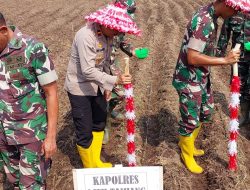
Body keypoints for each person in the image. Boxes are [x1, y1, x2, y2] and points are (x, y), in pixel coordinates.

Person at [172, 0, 250, 174]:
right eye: (235, 9)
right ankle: (186, 153)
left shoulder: (212, 15)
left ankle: (189, 143)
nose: (236, 14)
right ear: (225, 3)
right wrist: (224, 60)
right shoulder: (204, 21)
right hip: (189, 78)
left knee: (205, 112)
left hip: (201, 76)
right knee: (190, 120)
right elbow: (192, 57)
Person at [64, 3, 141, 168]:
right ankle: (89, 166)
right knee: (84, 131)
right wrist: (115, 81)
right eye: (116, 30)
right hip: (80, 88)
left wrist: (107, 86)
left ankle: (96, 160)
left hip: (98, 85)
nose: (118, 34)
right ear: (105, 24)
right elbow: (87, 71)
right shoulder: (86, 36)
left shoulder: (108, 36)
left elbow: (105, 62)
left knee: (99, 122)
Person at [0, 12, 58, 189]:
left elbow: (51, 93)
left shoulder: (33, 49)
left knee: (32, 186)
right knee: (15, 182)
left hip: (31, 134)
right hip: (4, 136)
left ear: (3, 30)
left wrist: (50, 137)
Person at [217, 12, 250, 126]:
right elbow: (224, 34)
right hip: (238, 58)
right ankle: (244, 115)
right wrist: (219, 56)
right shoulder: (234, 11)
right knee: (239, 86)